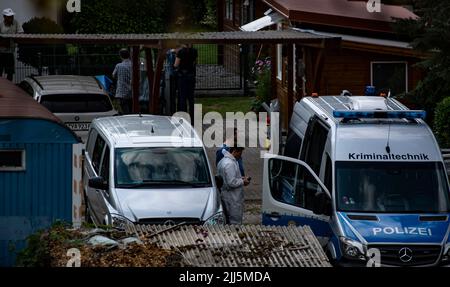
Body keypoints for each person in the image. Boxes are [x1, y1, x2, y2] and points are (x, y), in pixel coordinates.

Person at [217, 146, 250, 224]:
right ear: (235, 151)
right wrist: (243, 181)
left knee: (227, 219)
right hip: (232, 198)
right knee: (235, 221)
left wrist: (240, 178)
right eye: (240, 153)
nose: (240, 155)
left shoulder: (223, 161)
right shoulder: (230, 164)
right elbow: (231, 182)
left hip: (226, 195)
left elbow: (227, 177)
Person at [174, 43, 197, 121]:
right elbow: (195, 62)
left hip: (182, 77)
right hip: (191, 76)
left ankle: (183, 117)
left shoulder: (181, 52)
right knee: (191, 98)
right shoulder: (194, 51)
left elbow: (176, 64)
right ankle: (192, 118)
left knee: (182, 98)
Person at [0, 8, 22, 81]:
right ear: (4, 17)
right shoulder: (1, 25)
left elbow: (21, 32)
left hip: (10, 52)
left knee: (10, 72)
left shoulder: (15, 23)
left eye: (12, 16)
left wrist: (16, 37)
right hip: (1, 52)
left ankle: (9, 89)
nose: (11, 18)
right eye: (9, 16)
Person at [112, 48, 132, 114]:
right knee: (132, 111)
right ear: (129, 55)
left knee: (124, 112)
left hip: (121, 93)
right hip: (132, 93)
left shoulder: (118, 66)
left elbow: (113, 75)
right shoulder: (133, 65)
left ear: (120, 56)